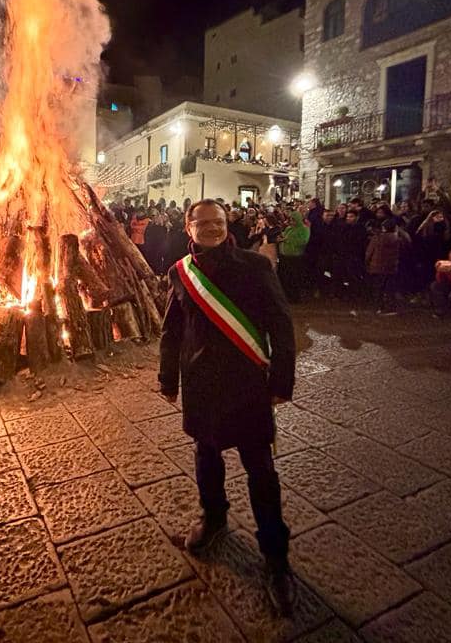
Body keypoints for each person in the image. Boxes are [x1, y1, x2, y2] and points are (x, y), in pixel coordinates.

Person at [159, 199, 297, 615]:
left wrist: (282, 382)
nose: (212, 229)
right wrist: (168, 379)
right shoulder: (180, 273)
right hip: (201, 387)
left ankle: (276, 559)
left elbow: (281, 326)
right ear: (189, 227)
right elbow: (172, 330)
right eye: (204, 223)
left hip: (247, 387)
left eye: (218, 222)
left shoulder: (256, 267)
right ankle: (214, 518)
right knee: (206, 455)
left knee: (261, 471)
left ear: (227, 224)